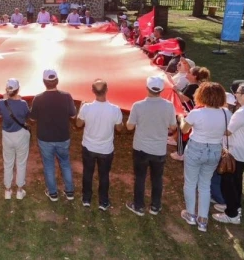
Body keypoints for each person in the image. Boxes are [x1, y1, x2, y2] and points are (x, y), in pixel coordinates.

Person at [179, 82, 229, 233]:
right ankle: (202, 219)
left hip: (196, 148)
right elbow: (226, 131)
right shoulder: (227, 113)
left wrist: (181, 117)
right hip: (214, 150)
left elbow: (184, 129)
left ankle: (190, 214)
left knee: (190, 183)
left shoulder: (197, 113)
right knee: (205, 185)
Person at [125, 76, 177, 216]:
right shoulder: (169, 106)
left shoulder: (138, 105)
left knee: (140, 177)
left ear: (147, 88)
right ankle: (155, 206)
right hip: (159, 149)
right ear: (161, 90)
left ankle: (138, 206)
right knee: (157, 178)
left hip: (141, 148)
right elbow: (173, 126)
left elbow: (129, 127)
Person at [213, 82, 244, 225]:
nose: (235, 95)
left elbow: (227, 132)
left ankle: (232, 214)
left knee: (228, 184)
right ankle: (234, 205)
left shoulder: (242, 113)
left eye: (237, 93)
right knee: (236, 182)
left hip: (235, 154)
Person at [76, 79, 123, 211]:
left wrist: (80, 108)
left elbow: (78, 124)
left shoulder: (86, 107)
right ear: (106, 90)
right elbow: (119, 128)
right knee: (104, 175)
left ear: (93, 91)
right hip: (106, 150)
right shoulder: (115, 109)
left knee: (87, 172)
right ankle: (103, 202)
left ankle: (86, 199)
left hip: (89, 147)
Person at [30, 69, 77, 202]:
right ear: (57, 81)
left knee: (49, 165)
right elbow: (73, 115)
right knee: (65, 164)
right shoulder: (66, 96)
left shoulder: (38, 98)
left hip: (45, 138)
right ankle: (69, 192)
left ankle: (53, 193)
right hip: (63, 137)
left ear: (44, 81)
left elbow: (32, 119)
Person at [0, 78, 31, 200]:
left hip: (7, 135)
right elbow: (27, 116)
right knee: (21, 163)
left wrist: (5, 100)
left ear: (6, 90)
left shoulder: (0, 103)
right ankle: (19, 190)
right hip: (21, 135)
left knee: (8, 163)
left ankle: (7, 190)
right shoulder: (23, 103)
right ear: (18, 90)